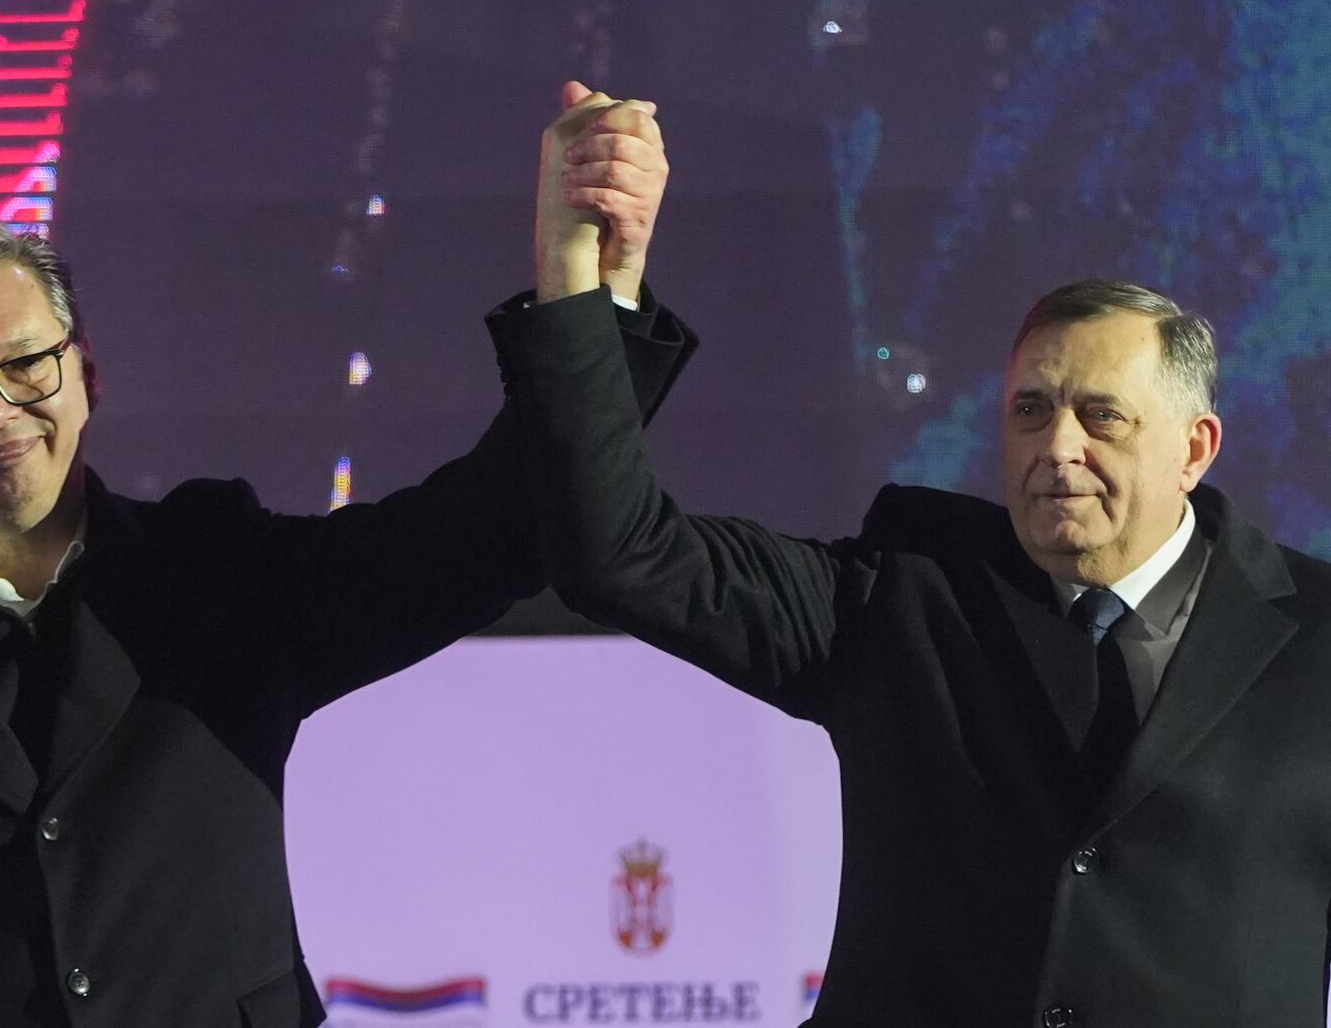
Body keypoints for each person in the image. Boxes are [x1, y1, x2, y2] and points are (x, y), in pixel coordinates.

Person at [0, 87, 684, 1028]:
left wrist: (586, 290)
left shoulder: (218, 572)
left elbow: (485, 534)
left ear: (86, 374)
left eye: (25, 364)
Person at [492, 120, 1331, 1025]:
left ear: (1195, 448)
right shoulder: (906, 591)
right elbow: (620, 551)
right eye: (1030, 409)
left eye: (1101, 416)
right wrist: (586, 288)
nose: (1057, 447)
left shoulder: (1316, 637)